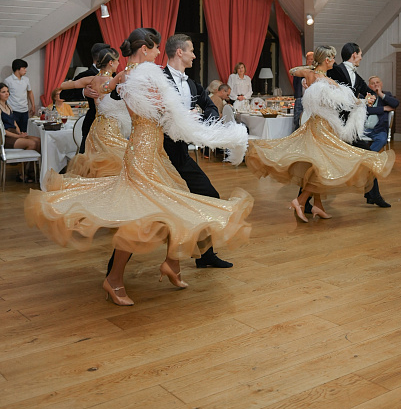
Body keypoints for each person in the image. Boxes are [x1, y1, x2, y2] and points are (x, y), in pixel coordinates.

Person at [25, 28, 253, 305]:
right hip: (143, 152)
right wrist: (197, 123)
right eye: (156, 48)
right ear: (145, 49)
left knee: (174, 203)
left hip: (152, 150)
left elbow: (105, 89)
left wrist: (92, 89)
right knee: (140, 216)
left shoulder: (127, 74)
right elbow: (160, 112)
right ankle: (114, 279)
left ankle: (172, 262)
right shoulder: (142, 76)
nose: (158, 53)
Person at [246, 46, 394, 222]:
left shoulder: (309, 74)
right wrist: (364, 101)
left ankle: (318, 205)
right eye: (332, 58)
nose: (334, 61)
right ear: (327, 60)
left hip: (314, 125)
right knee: (324, 167)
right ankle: (300, 201)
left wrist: (310, 68)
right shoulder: (327, 81)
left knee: (316, 165)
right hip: (324, 128)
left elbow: (293, 71)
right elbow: (348, 101)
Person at [163, 34, 235, 268]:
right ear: (179, 52)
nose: (194, 55)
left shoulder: (192, 84)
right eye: (191, 50)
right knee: (156, 211)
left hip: (181, 155)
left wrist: (202, 122)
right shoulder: (159, 80)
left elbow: (210, 106)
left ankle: (206, 255)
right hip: (160, 155)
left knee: (209, 195)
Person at [328, 42, 392, 208]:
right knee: (321, 161)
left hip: (349, 128)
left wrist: (370, 98)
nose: (362, 57)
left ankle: (373, 194)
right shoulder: (335, 70)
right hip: (334, 126)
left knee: (368, 157)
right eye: (361, 54)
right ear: (354, 54)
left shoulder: (356, 76)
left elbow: (366, 92)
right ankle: (303, 200)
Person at [60, 48, 130, 178]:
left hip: (96, 128)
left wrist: (84, 88)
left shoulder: (91, 79)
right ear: (110, 63)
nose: (118, 63)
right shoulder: (113, 82)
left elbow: (63, 86)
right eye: (117, 61)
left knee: (98, 164)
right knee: (119, 160)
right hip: (110, 129)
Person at [60, 42, 110, 154]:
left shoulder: (113, 76)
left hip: (111, 124)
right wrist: (83, 92)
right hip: (92, 121)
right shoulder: (85, 74)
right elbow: (63, 94)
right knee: (87, 157)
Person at [0, 82, 41, 182]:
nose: (7, 94)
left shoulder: (8, 106)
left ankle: (30, 170)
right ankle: (21, 173)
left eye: (7, 91)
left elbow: (14, 123)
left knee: (38, 140)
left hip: (14, 133)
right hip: (5, 137)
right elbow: (2, 131)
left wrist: (19, 133)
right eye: (3, 92)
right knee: (32, 143)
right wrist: (18, 136)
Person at [364, 75, 399, 152]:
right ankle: (365, 155)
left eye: (377, 82)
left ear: (381, 84)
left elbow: (395, 104)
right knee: (351, 138)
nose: (376, 84)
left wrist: (380, 94)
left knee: (382, 139)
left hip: (379, 129)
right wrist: (384, 108)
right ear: (369, 86)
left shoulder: (386, 95)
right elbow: (366, 110)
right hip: (363, 129)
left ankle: (368, 155)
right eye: (373, 83)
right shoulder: (365, 96)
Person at [4, 59, 35, 132]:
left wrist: (33, 105)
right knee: (14, 132)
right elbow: (4, 95)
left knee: (24, 131)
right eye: (24, 68)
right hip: (13, 110)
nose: (25, 70)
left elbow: (30, 92)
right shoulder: (8, 80)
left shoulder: (26, 79)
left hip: (25, 110)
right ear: (18, 69)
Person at [293, 51, 314, 130]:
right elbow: (295, 83)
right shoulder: (300, 70)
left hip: (311, 101)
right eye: (308, 59)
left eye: (312, 59)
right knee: (297, 120)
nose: (310, 61)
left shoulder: (316, 72)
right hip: (300, 99)